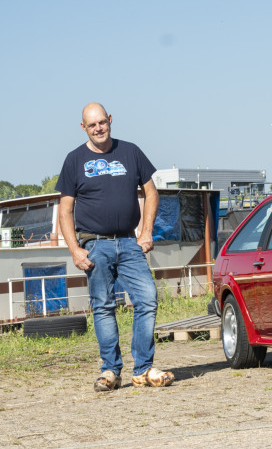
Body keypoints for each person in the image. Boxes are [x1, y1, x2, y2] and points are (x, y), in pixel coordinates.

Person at [56, 102, 174, 392]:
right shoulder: (74, 160)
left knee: (147, 298)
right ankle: (110, 371)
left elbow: (151, 192)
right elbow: (65, 210)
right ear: (83, 127)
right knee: (103, 307)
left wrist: (146, 232)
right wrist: (74, 250)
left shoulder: (130, 151)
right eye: (92, 124)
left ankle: (144, 370)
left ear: (110, 120)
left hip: (129, 242)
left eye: (102, 122)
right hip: (94, 244)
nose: (98, 128)